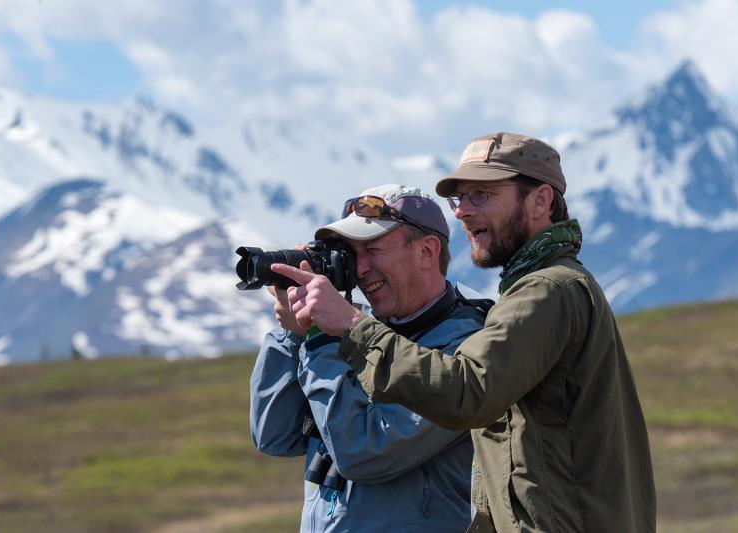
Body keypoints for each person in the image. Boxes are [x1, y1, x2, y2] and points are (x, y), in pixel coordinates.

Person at [274, 133, 657, 532]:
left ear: (540, 200)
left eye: (482, 195)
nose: (462, 213)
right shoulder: (547, 287)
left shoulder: (548, 289)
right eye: (460, 200)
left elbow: (467, 392)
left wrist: (351, 328)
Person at [250, 184, 490, 532]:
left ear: (426, 251)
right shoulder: (353, 329)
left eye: (373, 249)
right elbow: (273, 434)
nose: (360, 269)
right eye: (350, 253)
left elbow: (363, 452)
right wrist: (294, 332)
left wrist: (321, 337)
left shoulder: (465, 346)